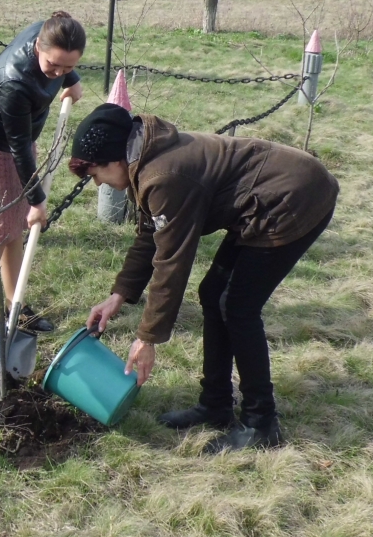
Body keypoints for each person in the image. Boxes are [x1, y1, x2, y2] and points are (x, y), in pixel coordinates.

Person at [71, 104, 339, 452]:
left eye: (95, 174)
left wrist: (147, 337)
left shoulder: (163, 175)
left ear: (114, 159)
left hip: (294, 198)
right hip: (264, 199)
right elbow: (152, 234)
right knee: (214, 293)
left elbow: (172, 261)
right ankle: (216, 405)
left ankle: (261, 423)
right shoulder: (146, 161)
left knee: (238, 307)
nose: (97, 183)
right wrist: (119, 294)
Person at [0, 12, 86, 343]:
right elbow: (17, 149)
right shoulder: (13, 78)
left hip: (22, 141)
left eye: (67, 66)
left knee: (13, 229)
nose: (58, 72)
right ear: (38, 47)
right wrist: (37, 202)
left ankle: (14, 305)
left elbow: (66, 62)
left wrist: (72, 81)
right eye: (53, 66)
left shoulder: (54, 33)